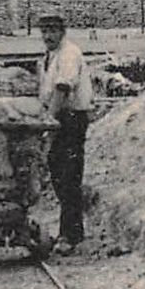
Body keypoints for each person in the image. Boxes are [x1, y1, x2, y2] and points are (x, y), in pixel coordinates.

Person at [39, 14, 93, 254]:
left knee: (69, 176)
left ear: (62, 32)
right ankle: (70, 230)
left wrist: (47, 121)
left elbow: (62, 88)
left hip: (70, 119)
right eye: (44, 31)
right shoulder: (48, 57)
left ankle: (70, 235)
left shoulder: (69, 53)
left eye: (52, 31)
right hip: (56, 116)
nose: (48, 36)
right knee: (57, 174)